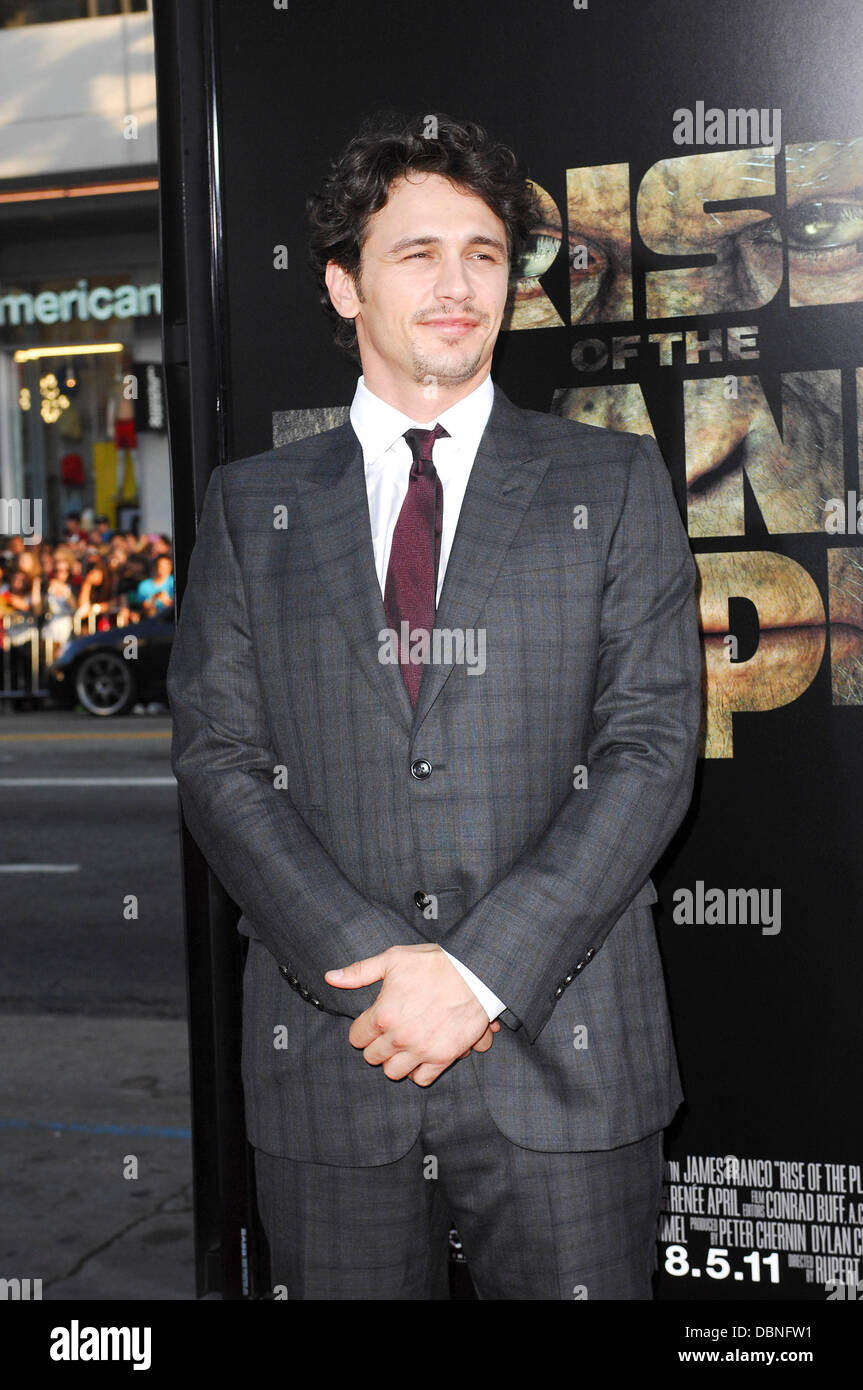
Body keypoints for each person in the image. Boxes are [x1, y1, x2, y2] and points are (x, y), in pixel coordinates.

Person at [167, 111, 703, 1301]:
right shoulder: (252, 507)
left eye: (482, 253)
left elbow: (651, 748)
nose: (456, 284)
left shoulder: (608, 484)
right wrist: (370, 963)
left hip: (565, 1057)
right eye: (415, 252)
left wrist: (474, 975)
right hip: (334, 1052)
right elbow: (218, 760)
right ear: (342, 285)